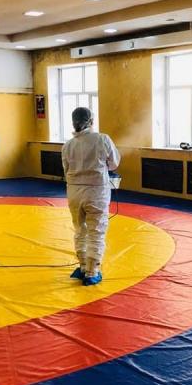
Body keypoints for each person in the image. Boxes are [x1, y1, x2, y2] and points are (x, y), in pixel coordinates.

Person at [61, 107, 120, 285]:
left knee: (80, 230)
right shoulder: (102, 139)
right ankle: (92, 271)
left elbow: (66, 169)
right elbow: (114, 163)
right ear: (91, 121)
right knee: (96, 231)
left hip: (74, 192)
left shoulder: (67, 145)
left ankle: (82, 266)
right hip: (96, 192)